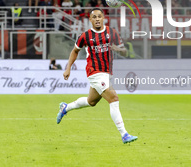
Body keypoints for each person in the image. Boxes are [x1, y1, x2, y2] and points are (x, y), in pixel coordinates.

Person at [57, 8, 138, 144]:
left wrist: (119, 49)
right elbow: (75, 51)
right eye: (94, 17)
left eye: (99, 16)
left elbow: (124, 51)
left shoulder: (112, 33)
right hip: (94, 72)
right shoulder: (85, 36)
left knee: (91, 102)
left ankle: (66, 107)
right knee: (113, 98)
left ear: (103, 18)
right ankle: (124, 134)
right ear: (90, 20)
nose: (97, 19)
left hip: (107, 73)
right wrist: (68, 68)